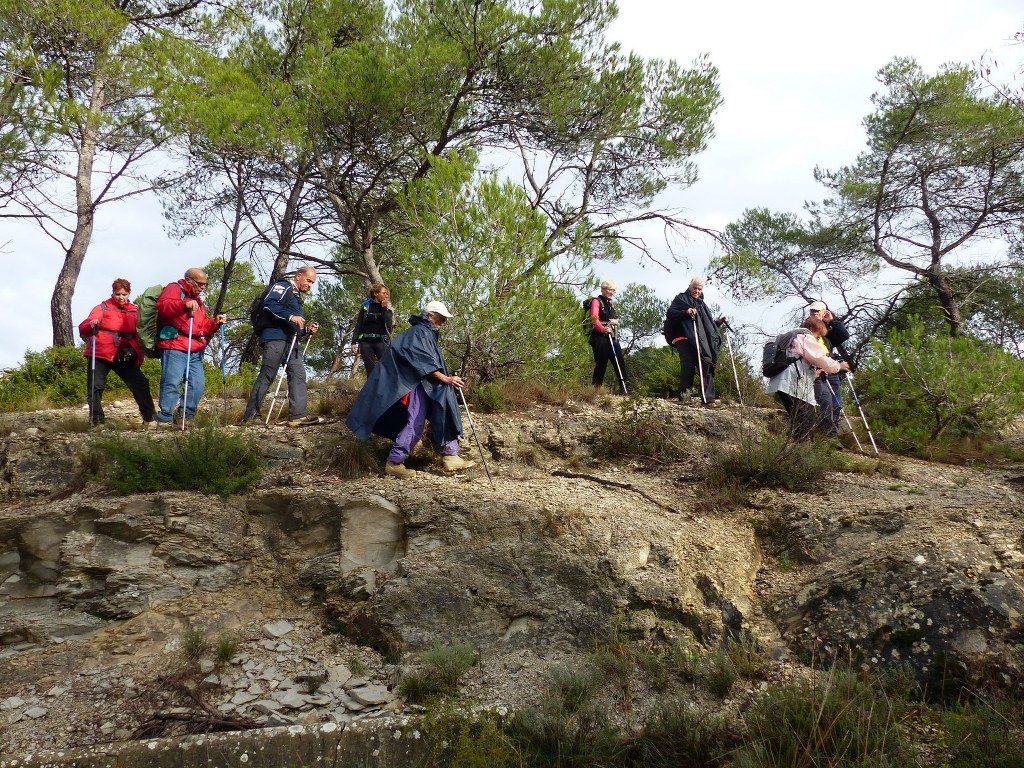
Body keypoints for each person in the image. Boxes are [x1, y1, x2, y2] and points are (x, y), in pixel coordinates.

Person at [346, 300, 477, 478]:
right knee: (415, 421)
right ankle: (394, 462)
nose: (444, 321)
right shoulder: (419, 333)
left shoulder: (426, 333)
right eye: (441, 317)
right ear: (430, 316)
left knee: (441, 409)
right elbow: (421, 362)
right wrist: (445, 378)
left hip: (421, 383)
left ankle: (450, 455)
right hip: (411, 384)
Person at [242, 266, 321, 426]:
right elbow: (269, 305)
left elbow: (292, 324)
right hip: (275, 337)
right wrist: (291, 316)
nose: (310, 285)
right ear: (299, 276)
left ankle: (297, 416)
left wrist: (306, 330)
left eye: (312, 283)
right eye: (308, 280)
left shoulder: (297, 296)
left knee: (298, 373)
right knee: (268, 374)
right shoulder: (284, 286)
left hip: (291, 341)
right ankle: (251, 416)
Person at [77, 279, 156, 428]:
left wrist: (136, 352)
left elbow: (140, 335)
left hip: (124, 354)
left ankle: (149, 419)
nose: (121, 297)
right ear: (112, 293)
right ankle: (97, 421)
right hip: (100, 352)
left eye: (124, 294)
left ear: (129, 294)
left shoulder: (135, 310)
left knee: (140, 383)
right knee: (95, 386)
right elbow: (84, 327)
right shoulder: (102, 308)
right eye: (117, 294)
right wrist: (91, 324)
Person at [154, 268, 228, 426]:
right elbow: (164, 306)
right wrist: (184, 304)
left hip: (194, 348)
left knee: (197, 384)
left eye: (205, 285)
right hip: (174, 344)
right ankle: (165, 417)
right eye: (200, 284)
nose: (202, 287)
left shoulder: (198, 301)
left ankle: (185, 416)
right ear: (189, 280)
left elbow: (200, 326)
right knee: (172, 381)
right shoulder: (174, 288)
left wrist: (215, 322)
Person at [765, 316, 850, 440]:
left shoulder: (792, 338)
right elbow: (820, 358)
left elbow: (797, 362)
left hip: (783, 384)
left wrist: (813, 374)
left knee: (800, 422)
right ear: (811, 328)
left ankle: (792, 452)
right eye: (818, 335)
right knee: (806, 422)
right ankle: (800, 454)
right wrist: (838, 366)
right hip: (794, 386)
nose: (818, 339)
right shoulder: (805, 337)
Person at [666, 277, 728, 406]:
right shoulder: (681, 298)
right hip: (682, 336)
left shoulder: (701, 304)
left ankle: (708, 399)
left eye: (700, 289)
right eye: (695, 288)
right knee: (688, 365)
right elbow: (670, 313)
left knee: (706, 363)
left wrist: (719, 322)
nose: (697, 291)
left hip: (699, 339)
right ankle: (685, 397)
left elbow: (707, 325)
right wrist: (686, 311)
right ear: (690, 286)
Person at [807, 301, 850, 438]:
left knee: (836, 404)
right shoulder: (806, 330)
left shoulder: (827, 334)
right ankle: (826, 437)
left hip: (832, 371)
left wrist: (831, 320)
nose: (814, 313)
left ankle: (833, 436)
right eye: (812, 311)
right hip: (817, 372)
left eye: (817, 311)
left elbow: (843, 335)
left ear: (824, 312)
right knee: (825, 402)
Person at [350, 283, 394, 376]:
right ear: (375, 293)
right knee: (370, 371)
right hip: (366, 343)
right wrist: (354, 342)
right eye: (384, 293)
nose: (386, 296)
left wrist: (384, 308)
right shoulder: (366, 307)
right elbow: (358, 325)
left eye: (387, 294)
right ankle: (372, 390)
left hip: (381, 342)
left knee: (386, 368)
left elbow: (389, 324)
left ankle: (385, 389)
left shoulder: (388, 309)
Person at [587, 279, 623, 388]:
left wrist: (615, 322)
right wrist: (602, 329)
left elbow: (613, 318)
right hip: (598, 337)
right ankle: (596, 388)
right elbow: (594, 318)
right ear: (603, 289)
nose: (612, 292)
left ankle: (625, 386)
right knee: (601, 362)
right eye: (611, 290)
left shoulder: (610, 305)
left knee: (619, 360)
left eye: (614, 290)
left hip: (611, 336)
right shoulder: (596, 301)